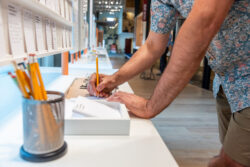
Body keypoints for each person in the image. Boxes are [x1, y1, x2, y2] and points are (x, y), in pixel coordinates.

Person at [87, 0, 249, 166]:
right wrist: (114, 79)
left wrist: (150, 106)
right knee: (230, 153)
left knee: (232, 161)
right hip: (226, 82)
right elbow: (152, 46)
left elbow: (203, 22)